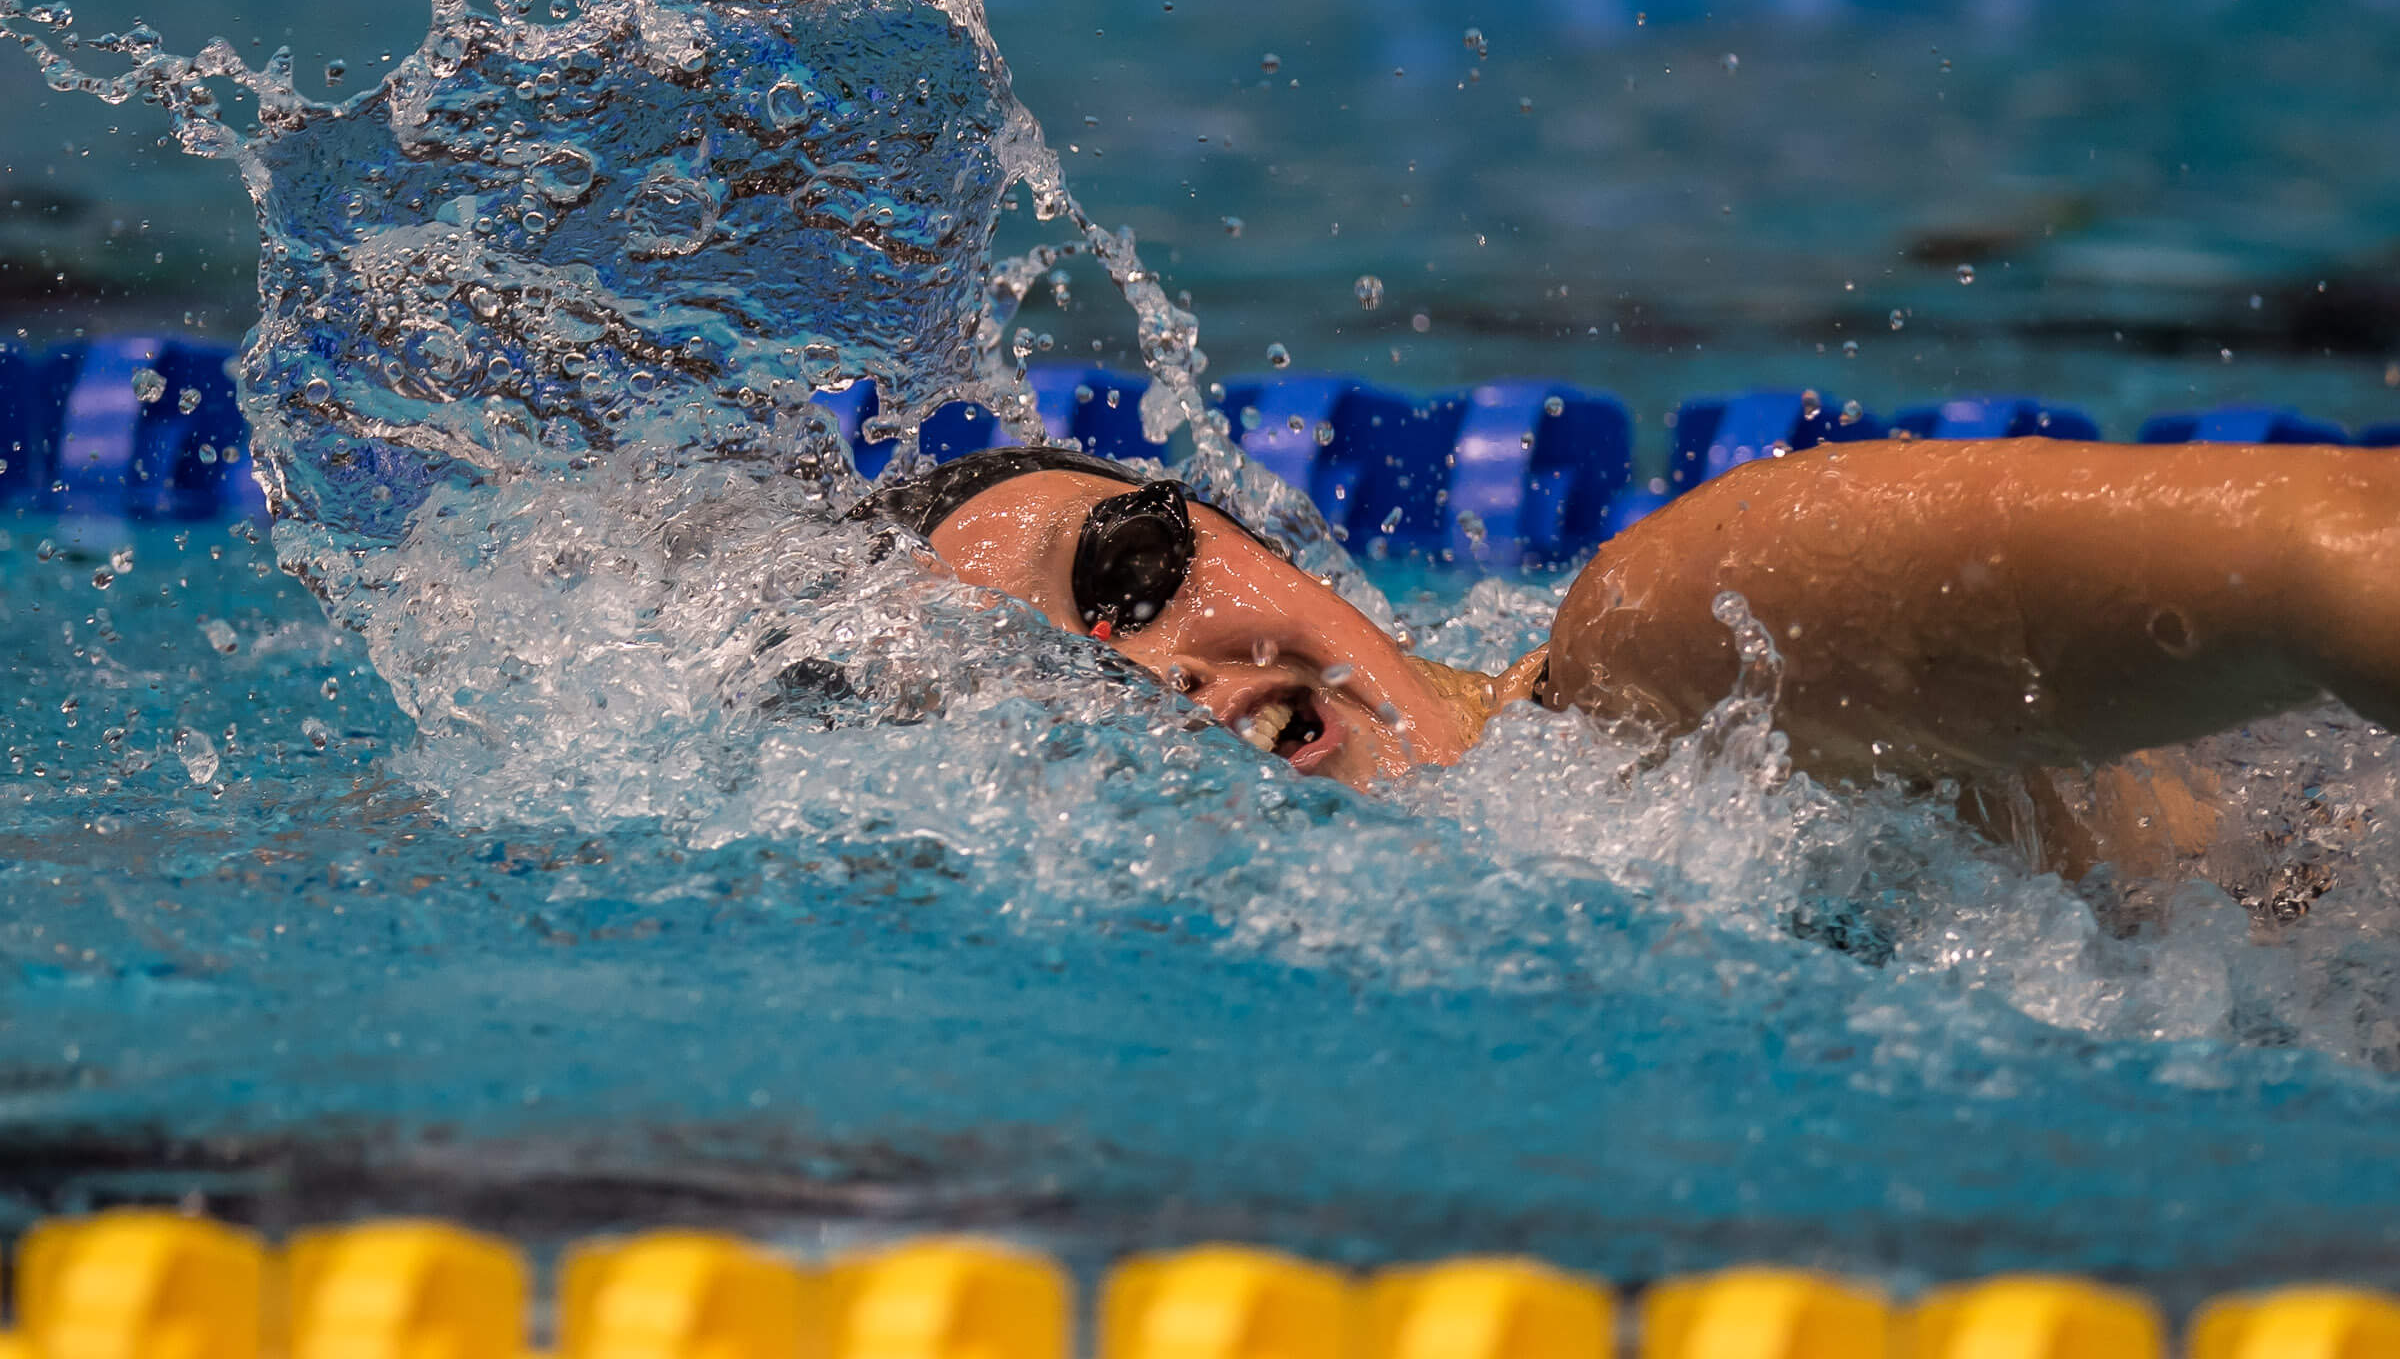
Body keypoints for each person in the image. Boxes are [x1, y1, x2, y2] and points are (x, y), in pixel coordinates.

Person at [851, 437, 2400, 882]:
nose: (1156, 685)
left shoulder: (1678, 642)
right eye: (1055, 691)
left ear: (1263, 538)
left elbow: (2346, 550)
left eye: (1128, 574)